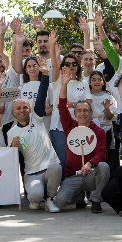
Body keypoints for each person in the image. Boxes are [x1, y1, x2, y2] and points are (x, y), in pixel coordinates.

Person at [0, 71, 61, 212]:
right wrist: (13, 146)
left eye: (25, 107)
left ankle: (50, 199)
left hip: (49, 167)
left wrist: (46, 75)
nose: (22, 110)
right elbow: (10, 159)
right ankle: (36, 197)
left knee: (56, 166)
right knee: (35, 197)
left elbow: (42, 96)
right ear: (13, 113)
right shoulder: (11, 133)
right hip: (32, 172)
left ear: (30, 109)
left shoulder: (37, 118)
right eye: (18, 108)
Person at [51, 67, 110, 214]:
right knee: (60, 202)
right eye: (79, 111)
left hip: (91, 174)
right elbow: (62, 107)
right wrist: (63, 84)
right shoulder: (70, 126)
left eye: (85, 111)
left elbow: (101, 153)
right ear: (75, 113)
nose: (82, 114)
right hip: (73, 176)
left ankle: (96, 200)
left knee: (104, 167)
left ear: (91, 113)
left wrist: (90, 164)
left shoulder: (99, 131)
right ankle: (78, 197)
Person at [47, 31, 88, 168]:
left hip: (77, 126)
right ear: (63, 66)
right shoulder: (57, 80)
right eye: (67, 63)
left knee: (76, 160)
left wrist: (74, 105)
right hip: (58, 127)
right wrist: (52, 46)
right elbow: (53, 62)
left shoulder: (83, 84)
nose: (71, 66)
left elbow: (88, 103)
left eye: (74, 64)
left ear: (78, 67)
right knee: (63, 160)